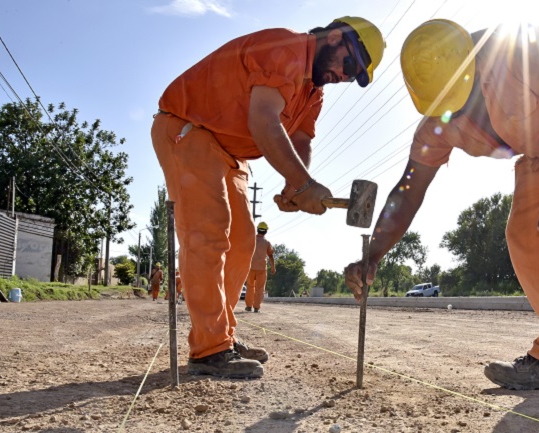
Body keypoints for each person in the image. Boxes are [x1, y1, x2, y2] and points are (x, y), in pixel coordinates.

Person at [344, 20, 539, 391]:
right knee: (524, 238)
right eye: (445, 107)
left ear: (473, 66)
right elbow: (407, 191)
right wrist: (374, 255)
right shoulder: (439, 121)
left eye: (462, 99)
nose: (459, 114)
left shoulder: (516, 50)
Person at [152, 17, 385, 379]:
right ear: (335, 37)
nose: (344, 75)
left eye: (352, 76)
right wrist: (304, 185)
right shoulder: (287, 48)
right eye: (349, 63)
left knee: (243, 241)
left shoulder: (313, 93)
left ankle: (221, 337)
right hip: (189, 128)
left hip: (229, 153)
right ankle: (209, 348)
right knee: (208, 232)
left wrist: (295, 186)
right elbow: (263, 120)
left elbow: (302, 141)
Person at [244, 222, 275, 313]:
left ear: (257, 230)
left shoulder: (251, 240)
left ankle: (249, 306)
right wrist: (273, 267)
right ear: (266, 231)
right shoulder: (267, 243)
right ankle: (256, 307)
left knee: (250, 286)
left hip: (250, 267)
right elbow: (271, 256)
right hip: (261, 269)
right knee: (260, 288)